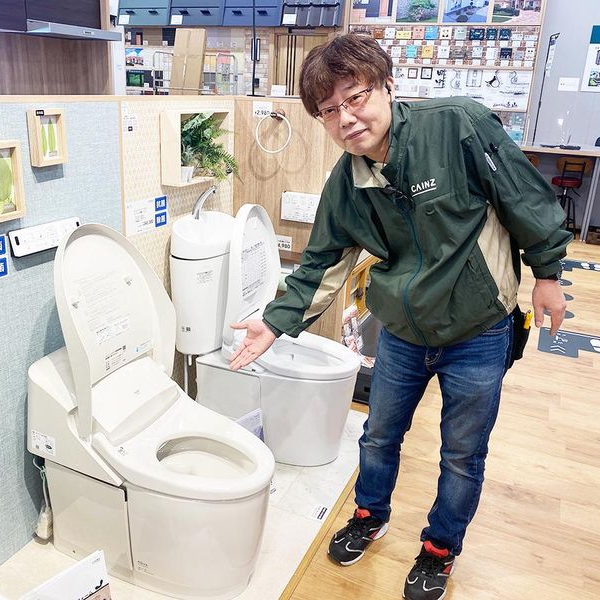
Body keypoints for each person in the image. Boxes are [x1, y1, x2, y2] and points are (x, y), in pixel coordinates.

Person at [229, 33, 571, 600]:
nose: (346, 118)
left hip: (478, 329)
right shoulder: (347, 183)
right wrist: (275, 320)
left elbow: (522, 196)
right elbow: (321, 262)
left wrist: (548, 274)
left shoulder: (457, 125)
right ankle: (370, 515)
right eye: (328, 110)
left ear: (388, 86)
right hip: (404, 333)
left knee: (462, 454)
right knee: (378, 436)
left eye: (355, 97)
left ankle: (440, 548)